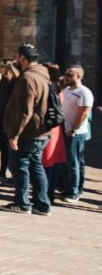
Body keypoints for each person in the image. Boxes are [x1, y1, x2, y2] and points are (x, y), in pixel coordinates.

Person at [1, 43, 51, 215]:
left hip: (28, 131)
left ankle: (23, 203)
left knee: (19, 166)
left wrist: (15, 134)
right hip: (40, 130)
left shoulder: (27, 78)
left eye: (17, 56)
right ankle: (42, 205)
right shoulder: (43, 73)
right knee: (36, 166)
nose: (16, 60)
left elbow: (25, 110)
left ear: (22, 58)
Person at [58, 65, 93, 203]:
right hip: (65, 130)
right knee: (72, 161)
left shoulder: (84, 92)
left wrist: (73, 129)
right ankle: (73, 188)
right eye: (66, 74)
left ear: (79, 76)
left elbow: (84, 113)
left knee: (74, 162)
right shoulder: (66, 90)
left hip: (76, 133)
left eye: (70, 74)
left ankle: (74, 192)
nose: (66, 76)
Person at [40, 63, 67, 203]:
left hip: (48, 128)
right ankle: (49, 193)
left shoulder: (50, 89)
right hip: (56, 128)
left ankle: (46, 194)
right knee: (53, 162)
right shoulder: (59, 89)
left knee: (47, 163)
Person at [0, 59, 20, 182]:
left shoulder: (15, 82)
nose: (0, 68)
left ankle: (13, 174)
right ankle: (3, 171)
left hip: (9, 121)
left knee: (10, 149)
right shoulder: (3, 81)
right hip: (0, 119)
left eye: (2, 66)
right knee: (3, 148)